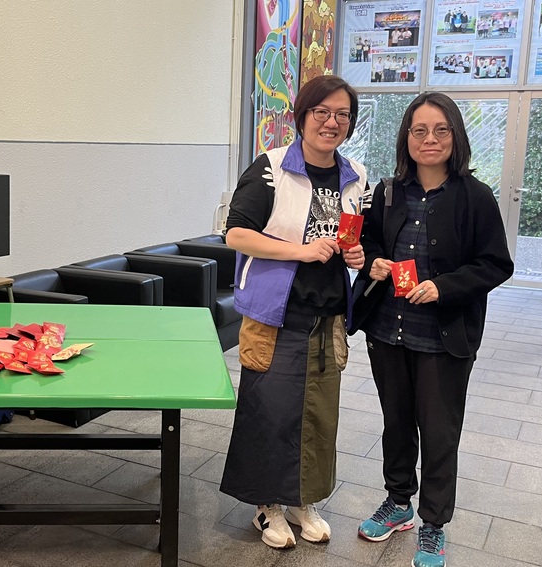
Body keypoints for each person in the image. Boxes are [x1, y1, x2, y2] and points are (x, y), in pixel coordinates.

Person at [350, 92, 514, 567]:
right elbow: (369, 241)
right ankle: (398, 502)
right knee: (396, 424)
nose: (430, 139)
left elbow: (495, 264)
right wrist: (373, 261)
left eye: (441, 130)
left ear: (455, 136)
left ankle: (434, 524)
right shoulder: (388, 192)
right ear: (407, 137)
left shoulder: (475, 197)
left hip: (444, 337)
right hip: (389, 330)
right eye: (419, 130)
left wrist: (443, 287)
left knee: (440, 434)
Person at [220, 74, 370, 550]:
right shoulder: (270, 168)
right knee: (270, 411)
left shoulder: (356, 175)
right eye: (321, 112)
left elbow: (356, 235)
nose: (331, 122)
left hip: (329, 316)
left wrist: (358, 255)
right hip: (276, 313)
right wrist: (300, 251)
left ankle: (303, 499)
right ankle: (267, 506)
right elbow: (236, 234)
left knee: (318, 416)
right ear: (302, 117)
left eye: (342, 114)